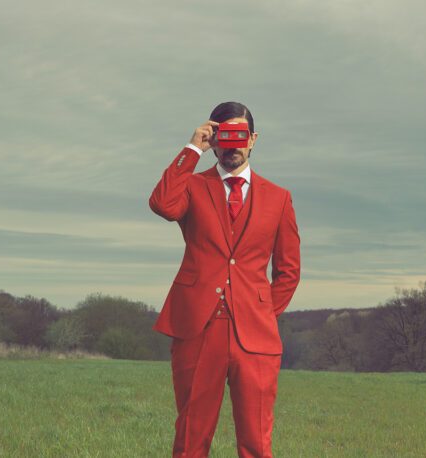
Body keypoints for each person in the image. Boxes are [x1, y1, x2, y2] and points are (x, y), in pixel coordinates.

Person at [148, 101, 301, 457]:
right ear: (213, 138)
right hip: (198, 329)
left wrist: (259, 311)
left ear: (253, 139)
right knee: (190, 438)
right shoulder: (192, 186)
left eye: (239, 135)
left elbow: (289, 270)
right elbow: (162, 204)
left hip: (255, 335)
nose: (232, 145)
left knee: (257, 442)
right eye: (223, 135)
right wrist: (192, 149)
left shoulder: (279, 198)